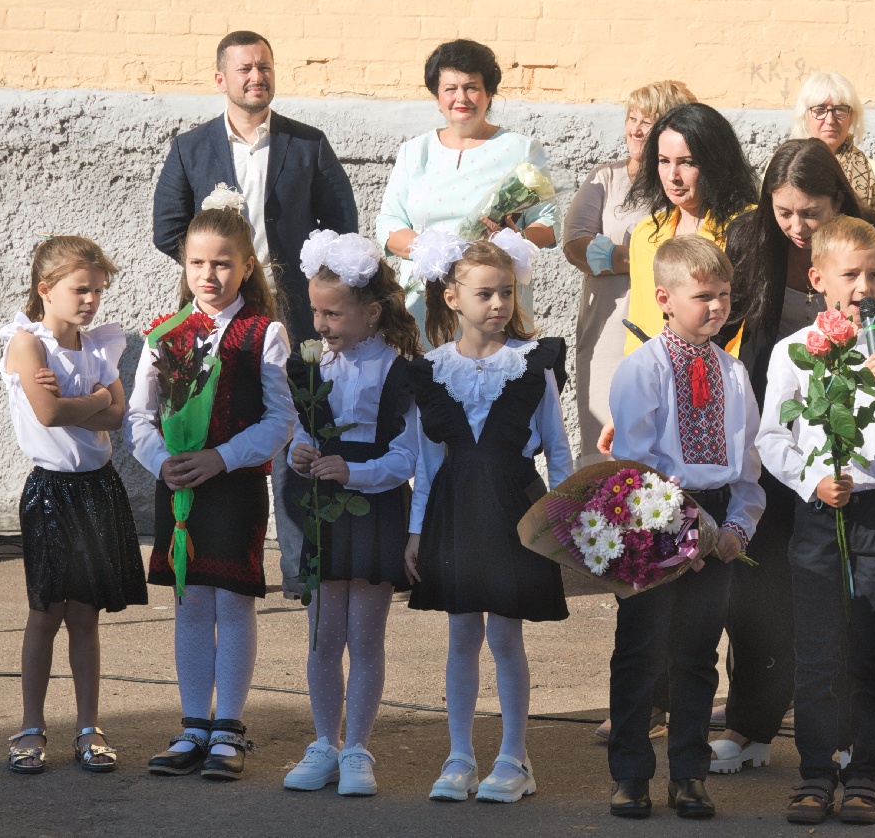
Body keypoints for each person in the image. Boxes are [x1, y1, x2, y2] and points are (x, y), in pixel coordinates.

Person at [706, 137, 875, 776]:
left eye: (811, 213)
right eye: (784, 211)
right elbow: (714, 323)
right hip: (776, 422)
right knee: (760, 586)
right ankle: (752, 722)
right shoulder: (750, 236)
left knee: (846, 608)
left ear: (838, 201)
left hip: (850, 442)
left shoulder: (874, 241)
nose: (796, 226)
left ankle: (848, 742)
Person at [151, 29, 359, 599]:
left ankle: (300, 569)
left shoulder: (308, 143)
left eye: (264, 66)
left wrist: (319, 286)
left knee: (295, 428)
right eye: (244, 69)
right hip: (220, 314)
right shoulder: (191, 148)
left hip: (293, 310)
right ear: (221, 78)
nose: (256, 77)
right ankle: (214, 559)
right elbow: (167, 228)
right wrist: (219, 268)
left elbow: (342, 222)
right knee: (218, 424)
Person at [757, 216, 875, 825]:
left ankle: (864, 771)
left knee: (870, 640)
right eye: (850, 274)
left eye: (874, 275)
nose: (863, 286)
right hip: (818, 512)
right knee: (818, 645)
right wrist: (812, 481)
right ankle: (814, 770)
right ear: (818, 279)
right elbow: (772, 437)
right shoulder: (793, 351)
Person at [129, 193, 295, 781]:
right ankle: (194, 724)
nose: (209, 274)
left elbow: (281, 419)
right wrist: (162, 462)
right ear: (184, 265)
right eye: (198, 263)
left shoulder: (264, 333)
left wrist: (221, 458)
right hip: (180, 486)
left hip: (234, 485)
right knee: (191, 601)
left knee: (233, 600)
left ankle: (228, 727)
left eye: (223, 263)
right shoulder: (164, 332)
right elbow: (139, 417)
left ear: (247, 266)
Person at [404, 240, 573, 805]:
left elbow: (558, 450)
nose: (499, 303)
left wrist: (563, 521)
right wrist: (416, 531)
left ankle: (514, 756)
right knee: (461, 634)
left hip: (513, 511)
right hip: (454, 511)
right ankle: (459, 755)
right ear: (453, 298)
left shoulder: (533, 365)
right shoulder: (431, 371)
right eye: (485, 293)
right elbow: (427, 464)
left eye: (506, 292)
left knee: (504, 633)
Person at [605, 235, 765, 821]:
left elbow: (747, 469)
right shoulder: (642, 369)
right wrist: (679, 532)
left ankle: (689, 774)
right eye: (703, 296)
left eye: (724, 295)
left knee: (698, 654)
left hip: (714, 520)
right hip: (653, 517)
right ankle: (630, 773)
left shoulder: (734, 373)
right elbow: (635, 465)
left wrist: (736, 528)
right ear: (664, 299)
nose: (717, 306)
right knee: (641, 650)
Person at [281, 232, 423, 798]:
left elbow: (407, 458)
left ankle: (358, 746)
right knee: (323, 634)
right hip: (322, 508)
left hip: (373, 506)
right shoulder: (314, 366)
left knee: (364, 638)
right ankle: (324, 743)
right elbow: (301, 429)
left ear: (371, 313)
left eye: (333, 313)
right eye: (316, 312)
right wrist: (299, 451)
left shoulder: (399, 371)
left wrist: (354, 473)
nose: (320, 324)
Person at [1, 236, 146, 775]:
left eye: (98, 291)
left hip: (96, 488)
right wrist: (95, 399)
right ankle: (31, 727)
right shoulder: (28, 344)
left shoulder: (98, 346)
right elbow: (49, 415)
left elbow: (118, 416)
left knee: (85, 615)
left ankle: (89, 726)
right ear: (46, 289)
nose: (91, 300)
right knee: (46, 613)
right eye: (81, 289)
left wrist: (79, 401)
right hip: (51, 491)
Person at [377, 39, 558, 341]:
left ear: (489, 94)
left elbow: (549, 225)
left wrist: (513, 241)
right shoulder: (414, 151)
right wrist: (431, 250)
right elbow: (389, 223)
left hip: (493, 306)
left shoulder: (521, 150)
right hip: (423, 303)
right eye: (450, 88)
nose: (461, 97)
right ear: (437, 97)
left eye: (471, 87)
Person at [563, 80, 697, 466]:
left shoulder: (682, 185)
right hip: (609, 331)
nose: (636, 130)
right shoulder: (606, 178)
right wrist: (645, 258)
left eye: (647, 121)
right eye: (632, 118)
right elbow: (576, 245)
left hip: (670, 328)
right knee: (605, 450)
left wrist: (613, 257)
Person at [622, 102, 757, 354]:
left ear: (716, 163)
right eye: (664, 161)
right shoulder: (646, 234)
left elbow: (747, 324)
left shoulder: (747, 227)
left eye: (687, 162)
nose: (672, 176)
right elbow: (639, 323)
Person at [790, 71, 875, 222]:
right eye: (819, 110)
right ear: (806, 116)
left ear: (851, 116)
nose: (830, 120)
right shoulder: (784, 167)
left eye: (839, 110)